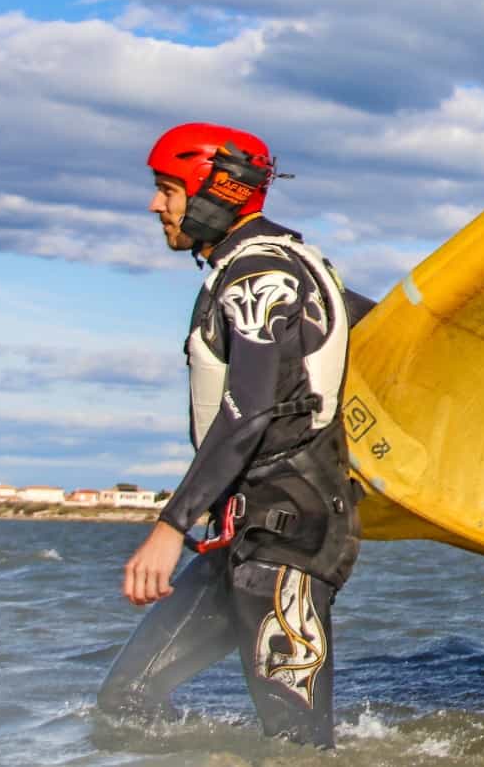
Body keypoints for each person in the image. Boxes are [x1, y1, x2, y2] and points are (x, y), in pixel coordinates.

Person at [98, 123, 370, 747]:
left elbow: (250, 409)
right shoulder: (292, 264)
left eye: (168, 189)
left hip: (287, 536)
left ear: (214, 193)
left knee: (298, 745)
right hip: (241, 535)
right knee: (126, 702)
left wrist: (170, 527)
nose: (156, 205)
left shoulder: (260, 276)